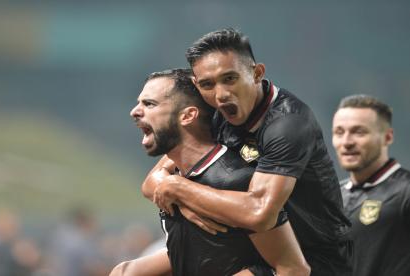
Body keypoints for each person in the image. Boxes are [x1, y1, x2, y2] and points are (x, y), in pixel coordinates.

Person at [144, 28, 352, 275]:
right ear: (196, 85)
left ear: (256, 73)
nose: (221, 94)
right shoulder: (214, 111)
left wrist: (179, 188)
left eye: (230, 78)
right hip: (252, 251)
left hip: (313, 261)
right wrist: (182, 197)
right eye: (208, 84)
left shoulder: (287, 124)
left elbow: (260, 212)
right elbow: (153, 182)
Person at [111, 69, 309, 276]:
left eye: (149, 104)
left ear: (187, 116)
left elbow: (294, 269)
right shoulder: (177, 174)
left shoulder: (235, 180)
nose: (134, 111)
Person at [332, 94, 410, 276]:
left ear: (387, 137)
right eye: (339, 132)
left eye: (359, 132)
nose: (347, 142)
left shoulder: (405, 191)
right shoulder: (331, 196)